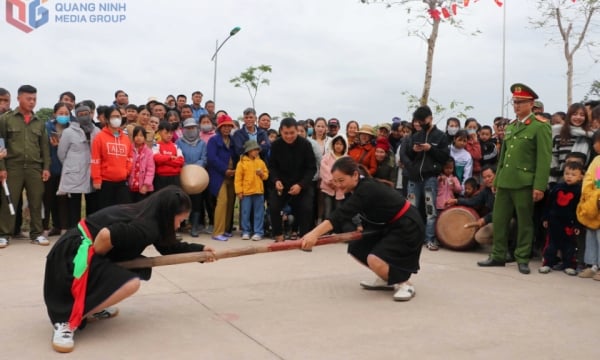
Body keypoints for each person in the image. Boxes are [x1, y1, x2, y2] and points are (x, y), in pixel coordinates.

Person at [43, 185, 215, 353]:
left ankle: (91, 305)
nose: (179, 225)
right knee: (130, 283)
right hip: (69, 257)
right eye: (180, 220)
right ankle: (66, 319)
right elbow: (105, 235)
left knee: (139, 266)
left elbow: (168, 248)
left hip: (78, 247)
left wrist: (200, 251)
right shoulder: (145, 227)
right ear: (168, 215)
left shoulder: (150, 217)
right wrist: (96, 259)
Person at [301, 157, 424, 302]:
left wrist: (314, 234)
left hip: (407, 225)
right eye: (335, 181)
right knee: (357, 247)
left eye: (341, 180)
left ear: (354, 175)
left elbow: (340, 215)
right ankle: (386, 278)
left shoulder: (366, 188)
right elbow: (345, 216)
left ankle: (404, 283)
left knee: (374, 259)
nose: (338, 185)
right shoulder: (353, 189)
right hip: (387, 225)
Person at [478, 83, 552, 275]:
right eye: (515, 102)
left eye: (520, 102)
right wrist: (497, 180)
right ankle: (498, 255)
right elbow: (503, 157)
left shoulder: (540, 126)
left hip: (525, 183)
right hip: (505, 182)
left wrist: (539, 186)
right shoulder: (511, 126)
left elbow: (544, 159)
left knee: (524, 222)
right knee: (500, 219)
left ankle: (522, 257)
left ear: (531, 104)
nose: (517, 106)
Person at [0, 85, 51, 247]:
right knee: (9, 201)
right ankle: (4, 234)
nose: (32, 102)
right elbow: (0, 145)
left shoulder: (39, 123)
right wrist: (2, 167)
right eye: (28, 98)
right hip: (12, 167)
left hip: (34, 168)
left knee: (36, 201)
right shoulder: (6, 119)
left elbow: (44, 148)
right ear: (19, 98)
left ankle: (36, 233)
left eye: (34, 99)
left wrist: (46, 168)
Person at [400, 105, 450, 251]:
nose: (420, 123)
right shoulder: (415, 136)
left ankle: (430, 239)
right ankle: (411, 239)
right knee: (411, 209)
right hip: (414, 178)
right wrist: (414, 150)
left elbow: (444, 156)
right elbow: (407, 156)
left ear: (430, 118)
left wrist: (431, 149)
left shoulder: (441, 136)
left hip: (430, 177)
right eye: (418, 121)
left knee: (430, 210)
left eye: (422, 120)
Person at [268, 117, 317, 242]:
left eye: (292, 133)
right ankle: (278, 236)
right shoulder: (276, 145)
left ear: (297, 131)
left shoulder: (305, 144)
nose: (289, 136)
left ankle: (305, 238)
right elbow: (272, 166)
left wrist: (301, 185)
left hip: (301, 183)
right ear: (281, 131)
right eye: (286, 133)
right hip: (282, 184)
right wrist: (276, 180)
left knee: (306, 207)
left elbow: (311, 168)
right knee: (273, 206)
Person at [538, 161, 584, 275]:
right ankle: (547, 263)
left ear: (580, 176)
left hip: (569, 223)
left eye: (573, 175)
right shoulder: (557, 187)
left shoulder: (579, 191)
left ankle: (568, 264)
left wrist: (577, 224)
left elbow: (579, 209)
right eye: (567, 173)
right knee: (551, 244)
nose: (569, 176)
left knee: (569, 245)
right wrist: (545, 218)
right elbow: (548, 204)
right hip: (554, 222)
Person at [91, 107, 132, 210]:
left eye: (118, 116)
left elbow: (130, 157)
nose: (116, 119)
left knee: (122, 211)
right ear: (107, 119)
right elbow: (95, 160)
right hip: (105, 182)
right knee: (106, 211)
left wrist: (127, 171)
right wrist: (96, 179)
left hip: (122, 182)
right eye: (113, 117)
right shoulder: (100, 137)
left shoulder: (126, 139)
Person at [447, 166, 498, 246]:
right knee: (480, 237)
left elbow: (501, 211)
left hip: (508, 220)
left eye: (489, 176)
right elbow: (474, 201)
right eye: (484, 178)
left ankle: (508, 247)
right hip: (495, 220)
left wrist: (485, 219)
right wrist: (457, 200)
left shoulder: (504, 189)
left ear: (496, 175)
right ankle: (501, 246)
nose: (487, 179)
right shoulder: (486, 190)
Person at [207, 114, 236, 241]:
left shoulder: (233, 140)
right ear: (219, 127)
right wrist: (225, 170)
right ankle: (217, 232)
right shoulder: (213, 140)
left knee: (230, 202)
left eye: (229, 126)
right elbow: (212, 158)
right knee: (222, 201)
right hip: (218, 175)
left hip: (232, 174)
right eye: (224, 126)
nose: (227, 128)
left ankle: (225, 230)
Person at [176, 118, 207, 236]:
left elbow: (204, 159)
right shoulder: (179, 142)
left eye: (193, 128)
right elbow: (179, 157)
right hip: (183, 175)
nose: (191, 130)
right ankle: (180, 226)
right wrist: (187, 168)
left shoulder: (202, 143)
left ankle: (194, 227)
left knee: (197, 202)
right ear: (184, 129)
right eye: (188, 128)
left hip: (198, 176)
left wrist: (195, 168)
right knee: (182, 202)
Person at [549, 102, 594, 184]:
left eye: (582, 115)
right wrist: (552, 181)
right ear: (569, 116)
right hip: (560, 180)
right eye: (575, 114)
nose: (578, 117)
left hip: (583, 182)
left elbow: (595, 163)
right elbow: (553, 157)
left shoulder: (590, 137)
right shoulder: (559, 134)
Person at [576, 131, 600, 280]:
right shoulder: (597, 159)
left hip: (597, 200)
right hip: (591, 203)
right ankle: (592, 265)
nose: (594, 145)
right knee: (591, 235)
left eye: (595, 142)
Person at [235, 140, 269, 241]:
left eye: (257, 150)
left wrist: (262, 174)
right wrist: (239, 192)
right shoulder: (241, 163)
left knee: (259, 212)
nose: (256, 152)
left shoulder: (261, 162)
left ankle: (258, 232)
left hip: (258, 191)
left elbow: (266, 176)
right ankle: (246, 231)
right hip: (246, 192)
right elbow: (238, 179)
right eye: (254, 150)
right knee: (245, 212)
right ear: (248, 151)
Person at [320, 134, 348, 220]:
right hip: (328, 188)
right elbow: (324, 169)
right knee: (327, 210)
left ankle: (337, 230)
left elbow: (346, 173)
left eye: (341, 144)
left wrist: (339, 183)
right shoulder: (327, 157)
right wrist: (331, 181)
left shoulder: (346, 158)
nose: (338, 146)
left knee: (338, 209)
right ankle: (326, 230)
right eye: (337, 144)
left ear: (344, 146)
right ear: (333, 144)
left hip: (340, 189)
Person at [153, 121, 184, 191]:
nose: (169, 135)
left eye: (171, 133)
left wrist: (163, 160)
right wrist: (170, 157)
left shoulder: (176, 146)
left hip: (175, 178)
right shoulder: (156, 145)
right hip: (161, 178)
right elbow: (156, 158)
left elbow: (181, 161)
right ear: (160, 133)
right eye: (166, 133)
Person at [128, 126, 155, 203]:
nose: (138, 138)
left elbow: (150, 170)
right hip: (130, 186)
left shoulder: (149, 152)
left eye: (141, 135)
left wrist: (146, 185)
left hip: (143, 187)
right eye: (136, 135)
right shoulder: (129, 149)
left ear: (145, 138)